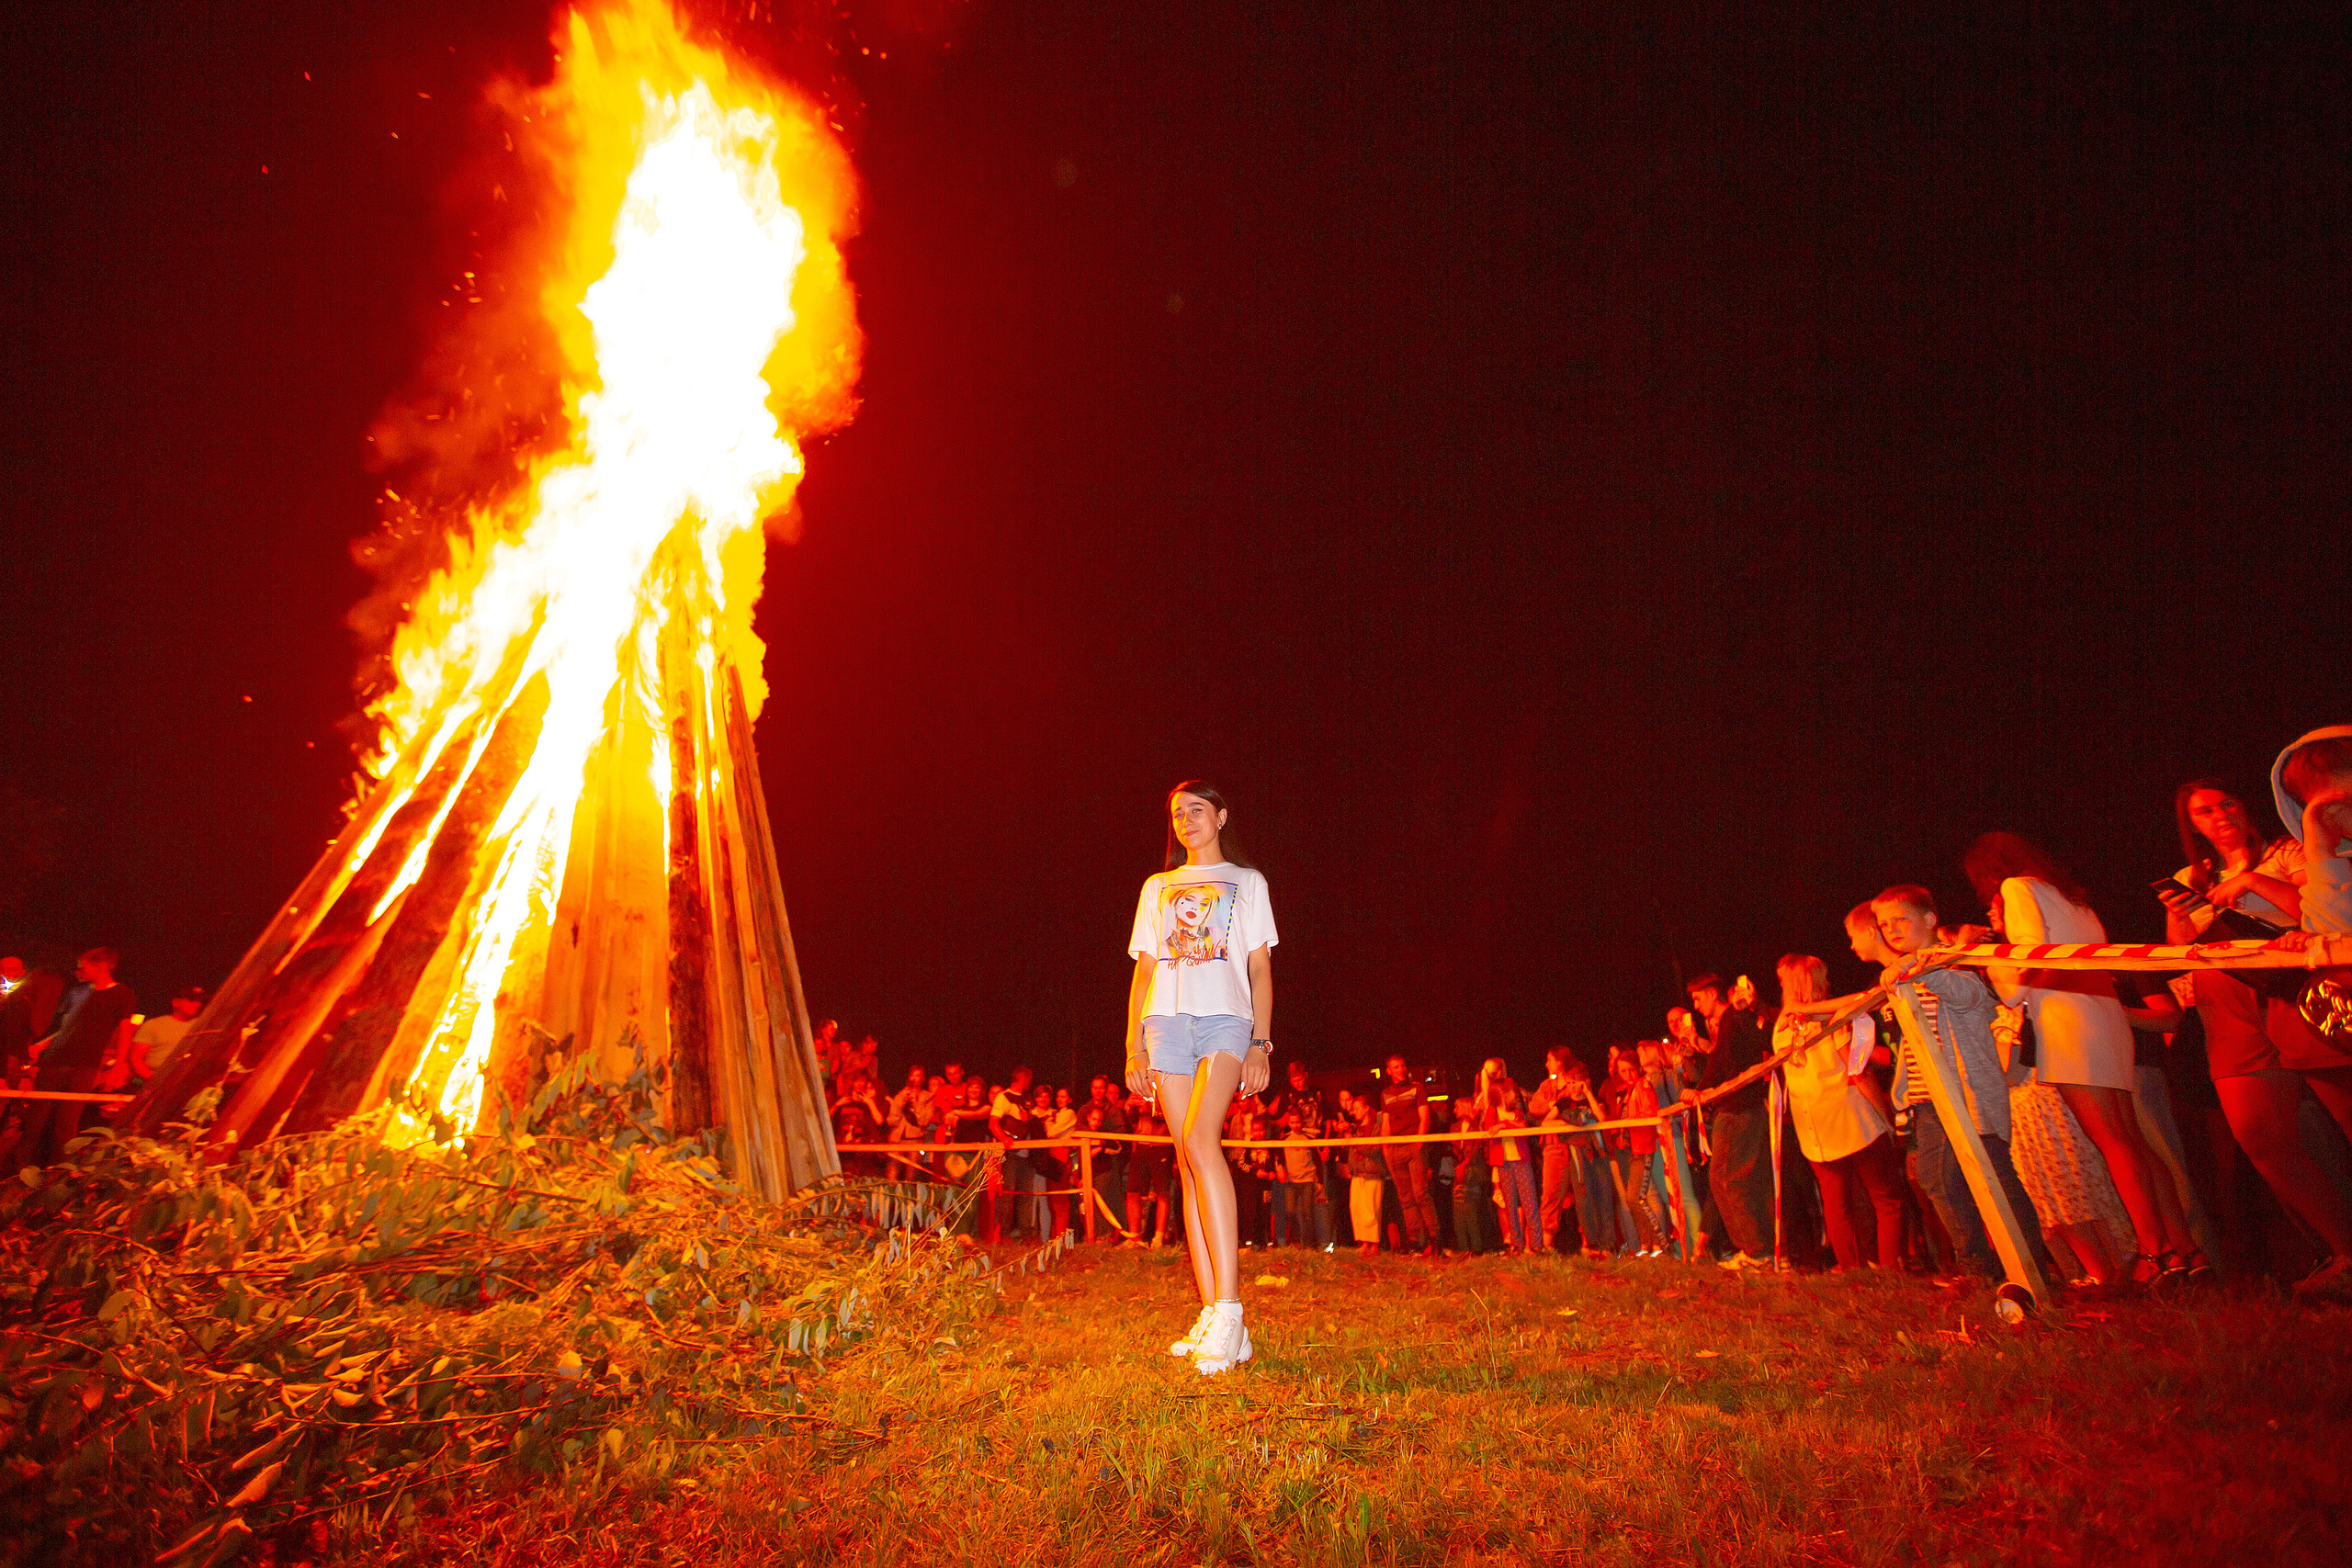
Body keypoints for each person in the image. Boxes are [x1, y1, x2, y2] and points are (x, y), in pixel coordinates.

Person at [1967, 832, 2202, 1285]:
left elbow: (2028, 955)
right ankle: (2182, 1249)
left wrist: (1992, 965)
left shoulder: (2017, 888)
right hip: (2104, 1016)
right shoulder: (2070, 896)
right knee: (2131, 1140)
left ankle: (2154, 1252)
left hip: (2066, 1020)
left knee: (2113, 1141)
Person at [2157, 777, 2352, 1296]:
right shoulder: (2190, 876)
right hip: (2226, 1002)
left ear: (2246, 807)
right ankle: (2343, 1251)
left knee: (2344, 1110)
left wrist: (2253, 884)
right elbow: (2182, 949)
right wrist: (2181, 915)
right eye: (2203, 812)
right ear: (2192, 825)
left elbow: (2321, 910)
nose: (2219, 816)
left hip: (2295, 988)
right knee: (2259, 1135)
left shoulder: (2289, 852)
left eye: (2227, 803)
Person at [1123, 781, 1277, 1375]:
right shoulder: (1157, 888)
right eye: (1178, 814)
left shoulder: (1249, 881)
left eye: (1197, 810)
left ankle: (1233, 1305)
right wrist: (1133, 1042)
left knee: (1201, 1140)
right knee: (1186, 1160)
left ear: (1221, 815)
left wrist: (1261, 1040)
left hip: (1227, 1021)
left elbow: (1260, 967)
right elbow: (1144, 971)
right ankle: (1214, 1313)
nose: (1186, 820)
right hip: (1166, 1023)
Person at [1869, 886, 2057, 1285]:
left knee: (1994, 1173)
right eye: (1884, 924)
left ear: (1930, 920)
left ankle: (2030, 1268)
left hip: (1969, 1092)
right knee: (1939, 1180)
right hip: (1929, 1096)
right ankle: (1979, 1265)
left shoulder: (1958, 963)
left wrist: (1922, 964)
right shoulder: (1910, 969)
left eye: (1901, 919)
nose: (1891, 929)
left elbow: (1968, 997)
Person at [1771, 955, 1905, 1271]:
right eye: (1825, 976)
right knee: (1887, 1200)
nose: (1829, 982)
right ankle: (1888, 1270)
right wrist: (1885, 1116)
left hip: (1815, 1126)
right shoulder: (1838, 1017)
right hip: (1855, 1120)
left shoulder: (1780, 1028)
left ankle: (1851, 1270)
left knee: (1836, 1204)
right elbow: (1859, 1070)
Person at [11, 949, 138, 1168]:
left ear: (100, 966)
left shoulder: (123, 994)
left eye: (84, 965)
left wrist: (118, 1066)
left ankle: (59, 1172)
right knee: (36, 1120)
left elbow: (125, 1033)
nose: (79, 970)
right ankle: (20, 1170)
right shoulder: (77, 992)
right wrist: (42, 1045)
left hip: (85, 1066)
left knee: (66, 1125)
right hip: (54, 1062)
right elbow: (67, 1027)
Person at [1684, 974, 1775, 1270]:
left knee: (1724, 1178)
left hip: (1738, 1107)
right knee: (1742, 1179)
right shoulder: (1732, 1020)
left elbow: (1725, 1058)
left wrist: (1699, 1089)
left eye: (1698, 999)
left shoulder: (1733, 1016)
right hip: (1741, 1105)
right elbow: (1722, 1058)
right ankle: (1762, 1249)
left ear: (1712, 994)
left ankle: (1755, 1250)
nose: (1696, 1007)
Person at [2273, 728, 2352, 1043]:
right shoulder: (2337, 869)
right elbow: (2335, 934)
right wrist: (2318, 850)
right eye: (2318, 806)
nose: (2333, 813)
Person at [1378, 1053, 1443, 1257]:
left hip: (1413, 1146)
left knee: (1421, 1193)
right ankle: (1414, 1241)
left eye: (1403, 1066)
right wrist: (1385, 1149)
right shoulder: (1386, 1093)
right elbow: (1386, 1123)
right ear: (1389, 1071)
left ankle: (1435, 1239)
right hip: (1394, 1148)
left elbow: (1425, 1117)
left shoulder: (1416, 1088)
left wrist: (1419, 1143)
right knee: (1405, 1198)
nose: (1400, 1070)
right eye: (1396, 1067)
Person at [1344, 1092, 1387, 1255]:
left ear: (1366, 1108)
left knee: (1371, 1208)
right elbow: (1353, 1152)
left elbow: (1375, 1149)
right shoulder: (1356, 1129)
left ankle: (1373, 1244)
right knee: (1356, 1207)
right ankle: (1362, 1242)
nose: (1354, 1112)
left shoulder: (1377, 1127)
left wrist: (1358, 1148)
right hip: (1358, 1173)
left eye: (1357, 1108)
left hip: (1372, 1172)